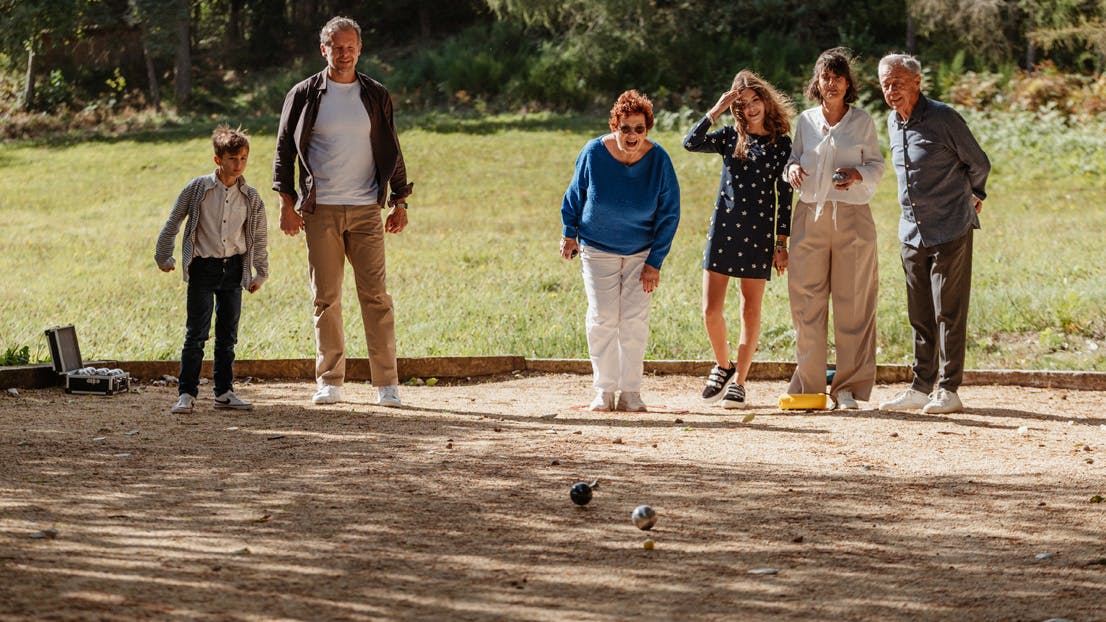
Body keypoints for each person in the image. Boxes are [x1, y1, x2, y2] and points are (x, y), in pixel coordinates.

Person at [273, 16, 413, 407]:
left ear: (359, 49)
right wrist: (286, 203)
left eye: (350, 46)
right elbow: (284, 151)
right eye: (337, 47)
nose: (344, 52)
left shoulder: (375, 94)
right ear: (324, 50)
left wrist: (400, 201)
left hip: (367, 208)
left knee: (376, 297)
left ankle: (387, 383)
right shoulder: (303, 94)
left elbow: (392, 148)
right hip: (321, 210)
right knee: (326, 298)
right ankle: (330, 380)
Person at [876, 53, 991, 415]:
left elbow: (979, 162)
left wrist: (976, 194)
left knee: (948, 312)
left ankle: (948, 389)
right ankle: (920, 386)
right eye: (885, 84)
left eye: (897, 82)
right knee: (920, 313)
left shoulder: (943, 117)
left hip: (949, 227)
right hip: (911, 231)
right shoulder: (894, 122)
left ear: (917, 82)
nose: (891, 90)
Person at [560, 89, 681, 412]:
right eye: (625, 128)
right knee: (602, 317)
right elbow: (575, 194)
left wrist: (655, 261)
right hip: (597, 248)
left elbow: (670, 213)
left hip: (642, 252)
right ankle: (604, 389)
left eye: (638, 129)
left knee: (633, 320)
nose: (631, 136)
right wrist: (568, 234)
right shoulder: (593, 153)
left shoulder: (659, 161)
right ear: (614, 125)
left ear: (647, 130)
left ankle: (631, 391)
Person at [683, 70, 794, 409]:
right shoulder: (730, 136)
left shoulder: (781, 144)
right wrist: (715, 110)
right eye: (742, 104)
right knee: (710, 309)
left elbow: (785, 196)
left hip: (759, 235)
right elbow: (691, 142)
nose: (750, 108)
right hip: (723, 232)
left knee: (750, 309)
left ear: (765, 100)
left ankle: (741, 381)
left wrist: (781, 244)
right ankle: (723, 364)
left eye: (755, 100)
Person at [784, 48, 885, 410]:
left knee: (854, 304)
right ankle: (809, 386)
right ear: (817, 82)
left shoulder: (863, 122)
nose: (832, 83)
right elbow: (794, 160)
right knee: (806, 303)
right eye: (825, 77)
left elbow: (877, 165)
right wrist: (791, 170)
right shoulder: (806, 122)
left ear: (848, 83)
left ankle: (849, 388)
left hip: (852, 217)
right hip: (810, 216)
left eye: (838, 77)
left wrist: (858, 174)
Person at [155, 124, 269, 415]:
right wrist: (164, 257)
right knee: (196, 334)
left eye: (243, 158)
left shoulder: (251, 196)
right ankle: (186, 393)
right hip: (203, 269)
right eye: (233, 159)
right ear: (218, 160)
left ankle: (224, 392)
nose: (239, 164)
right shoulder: (197, 189)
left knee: (228, 336)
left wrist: (260, 273)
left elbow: (258, 236)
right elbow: (173, 223)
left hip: (233, 269)